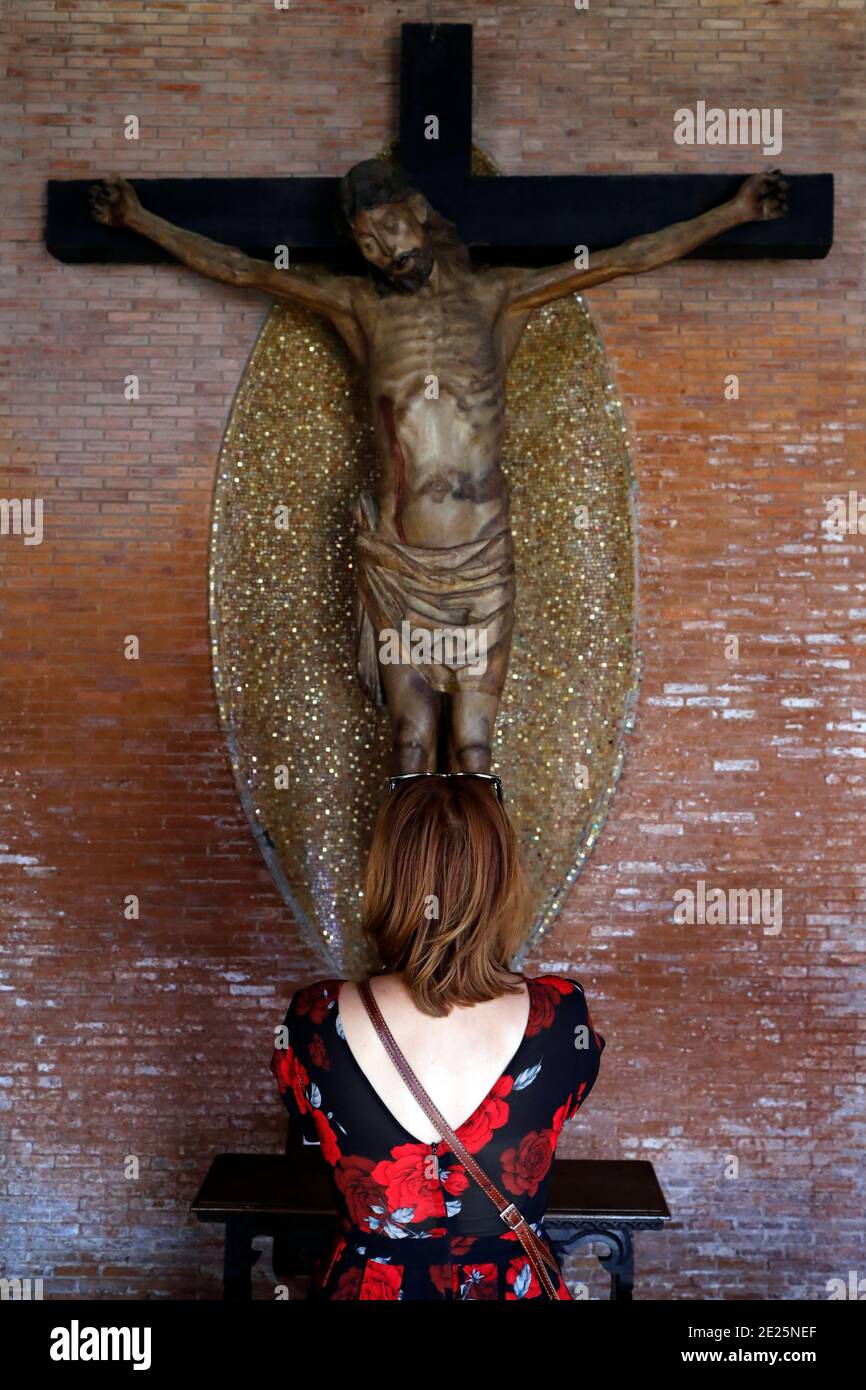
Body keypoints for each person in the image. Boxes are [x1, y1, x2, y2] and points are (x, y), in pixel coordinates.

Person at [270, 773, 606, 1300]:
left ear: (387, 879)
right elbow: (565, 1098)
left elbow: (303, 1114)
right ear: (500, 882)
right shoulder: (561, 1015)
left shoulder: (316, 1016)